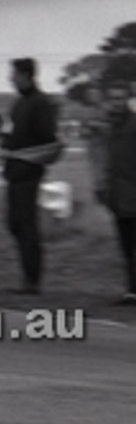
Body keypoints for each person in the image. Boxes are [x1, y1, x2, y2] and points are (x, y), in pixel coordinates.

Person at [2, 58, 59, 294]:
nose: (11, 79)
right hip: (13, 172)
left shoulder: (41, 103)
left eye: (14, 74)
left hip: (28, 172)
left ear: (26, 75)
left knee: (27, 226)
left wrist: (31, 159)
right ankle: (26, 275)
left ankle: (32, 281)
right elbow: (12, 135)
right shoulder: (18, 104)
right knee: (14, 224)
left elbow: (48, 139)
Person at [94, 82, 136, 304]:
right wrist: (103, 188)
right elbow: (109, 162)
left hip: (133, 193)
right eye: (113, 98)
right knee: (126, 247)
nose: (117, 103)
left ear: (128, 99)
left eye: (121, 98)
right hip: (119, 197)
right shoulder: (112, 126)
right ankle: (131, 290)